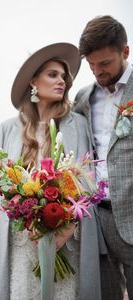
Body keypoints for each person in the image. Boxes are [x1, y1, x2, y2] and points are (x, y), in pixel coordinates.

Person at [0, 42, 102, 300]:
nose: (62, 81)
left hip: (66, 234)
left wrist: (64, 230)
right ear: (34, 81)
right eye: (52, 75)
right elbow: (3, 184)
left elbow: (86, 178)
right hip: (21, 238)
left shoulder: (77, 123)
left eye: (63, 76)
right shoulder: (9, 127)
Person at [73, 15, 133, 300]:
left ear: (125, 52)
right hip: (98, 220)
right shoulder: (84, 98)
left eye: (105, 63)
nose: (97, 71)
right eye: (91, 65)